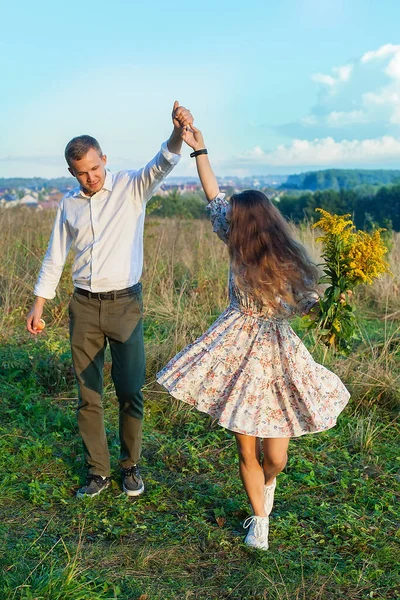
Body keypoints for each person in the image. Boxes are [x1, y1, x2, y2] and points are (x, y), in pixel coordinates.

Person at [156, 124, 350, 550]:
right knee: (247, 449)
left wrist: (329, 307)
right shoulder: (233, 235)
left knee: (275, 457)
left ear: (255, 221)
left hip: (278, 354)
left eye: (239, 219)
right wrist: (199, 147)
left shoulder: (288, 260)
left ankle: (267, 488)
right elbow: (212, 194)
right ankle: (258, 523)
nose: (230, 222)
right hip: (235, 348)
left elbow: (308, 305)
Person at [26, 102, 193, 498]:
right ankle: (97, 471)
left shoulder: (132, 187)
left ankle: (131, 466)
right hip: (83, 306)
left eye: (95, 169)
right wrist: (38, 304)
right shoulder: (68, 204)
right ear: (72, 172)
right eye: (82, 173)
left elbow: (164, 162)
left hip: (125, 306)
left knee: (131, 389)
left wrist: (176, 132)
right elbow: (55, 255)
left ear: (105, 159)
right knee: (89, 395)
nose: (90, 179)